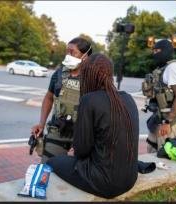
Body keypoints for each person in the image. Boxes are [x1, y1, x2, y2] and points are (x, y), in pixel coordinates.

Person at [46, 53, 139, 199]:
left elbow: (81, 151)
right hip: (129, 179)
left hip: (104, 183)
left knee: (52, 161)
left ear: (88, 75)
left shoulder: (89, 100)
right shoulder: (128, 98)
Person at [31, 37, 92, 160]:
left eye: (72, 52)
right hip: (58, 130)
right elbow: (49, 98)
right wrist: (41, 124)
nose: (68, 54)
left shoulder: (92, 77)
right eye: (67, 51)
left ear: (85, 56)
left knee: (82, 172)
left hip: (83, 134)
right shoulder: (59, 73)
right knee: (48, 167)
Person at [142, 39, 176, 153]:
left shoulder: (174, 68)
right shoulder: (163, 69)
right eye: (153, 51)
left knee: (164, 156)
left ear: (166, 51)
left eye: (157, 50)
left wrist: (168, 122)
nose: (155, 53)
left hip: (168, 121)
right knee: (152, 150)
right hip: (157, 118)